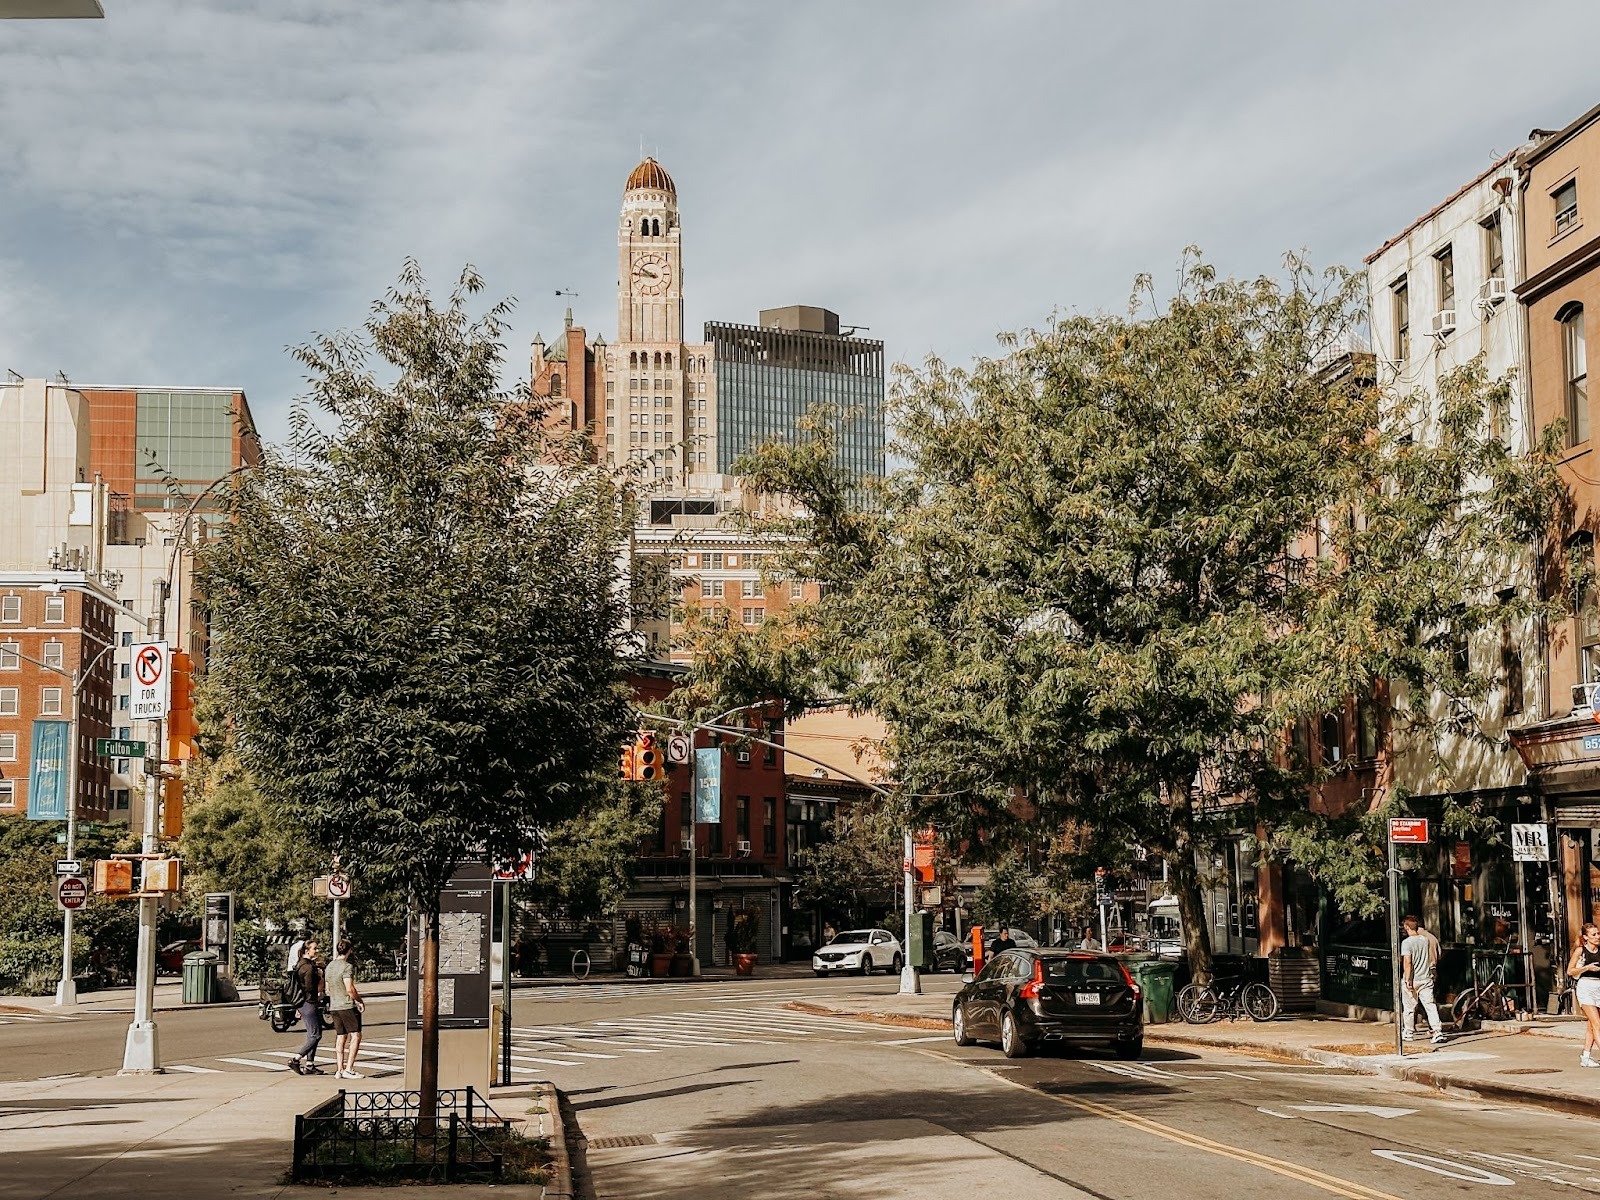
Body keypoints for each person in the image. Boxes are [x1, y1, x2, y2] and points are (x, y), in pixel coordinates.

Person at [1399, 915, 1446, 1045]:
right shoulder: (1425, 940)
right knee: (1430, 1005)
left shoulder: (1406, 943)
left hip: (1413, 979)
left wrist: (1407, 979)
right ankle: (1437, 1031)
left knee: (1409, 1007)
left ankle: (1408, 1032)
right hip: (1425, 978)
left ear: (1407, 927)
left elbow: (1408, 962)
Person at [325, 938, 365, 1080]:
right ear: (349, 951)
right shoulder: (347, 967)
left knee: (341, 1036)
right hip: (346, 1005)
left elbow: (328, 989)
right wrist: (359, 1000)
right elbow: (349, 988)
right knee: (356, 1035)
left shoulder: (329, 966)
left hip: (334, 1005)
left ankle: (339, 1069)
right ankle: (349, 1068)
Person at [288, 939, 326, 1075]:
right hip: (309, 1002)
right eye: (314, 948)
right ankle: (295, 1059)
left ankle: (310, 1064)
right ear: (306, 950)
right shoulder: (308, 968)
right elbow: (309, 988)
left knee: (312, 1034)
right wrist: (319, 977)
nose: (317, 951)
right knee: (315, 1035)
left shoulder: (301, 964)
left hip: (302, 1003)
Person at [1567, 921, 1600, 1068]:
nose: (1597, 936)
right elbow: (1570, 971)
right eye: (1594, 934)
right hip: (1586, 987)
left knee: (1591, 1026)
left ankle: (1585, 1057)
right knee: (1597, 1024)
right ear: (1586, 937)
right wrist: (1587, 968)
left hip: (1599, 987)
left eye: (1598, 933)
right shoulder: (1581, 951)